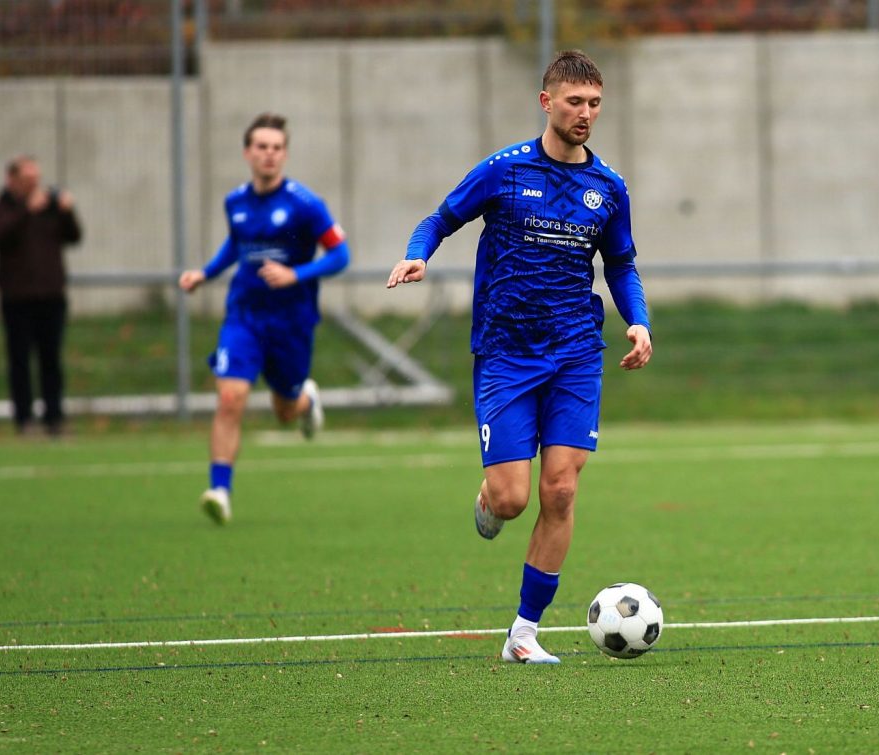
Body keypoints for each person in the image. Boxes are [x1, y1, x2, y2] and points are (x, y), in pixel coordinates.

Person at [387, 50, 653, 664]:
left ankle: (523, 635)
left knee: (559, 490)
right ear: (546, 102)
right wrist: (418, 253)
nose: (585, 113)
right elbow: (440, 218)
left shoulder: (608, 188)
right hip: (506, 352)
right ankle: (489, 498)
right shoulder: (505, 170)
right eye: (575, 102)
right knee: (512, 499)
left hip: (576, 352)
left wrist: (638, 321)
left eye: (594, 104)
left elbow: (620, 264)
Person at [180, 112, 350, 525]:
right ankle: (219, 491)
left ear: (285, 154)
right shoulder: (235, 202)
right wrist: (206, 273)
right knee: (230, 397)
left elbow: (340, 255)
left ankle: (305, 402)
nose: (269, 154)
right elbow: (236, 245)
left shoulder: (306, 205)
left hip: (291, 323)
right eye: (261, 147)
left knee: (284, 410)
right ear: (247, 153)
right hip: (244, 317)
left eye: (276, 148)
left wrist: (296, 274)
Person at [0, 155, 82, 436]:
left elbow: (74, 237)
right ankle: (24, 419)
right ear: (11, 179)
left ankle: (54, 418)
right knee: (20, 361)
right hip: (17, 298)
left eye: (36, 179)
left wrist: (67, 211)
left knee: (51, 360)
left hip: (51, 295)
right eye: (27, 179)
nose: (34, 185)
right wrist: (27, 210)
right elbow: (0, 236)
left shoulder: (50, 208)